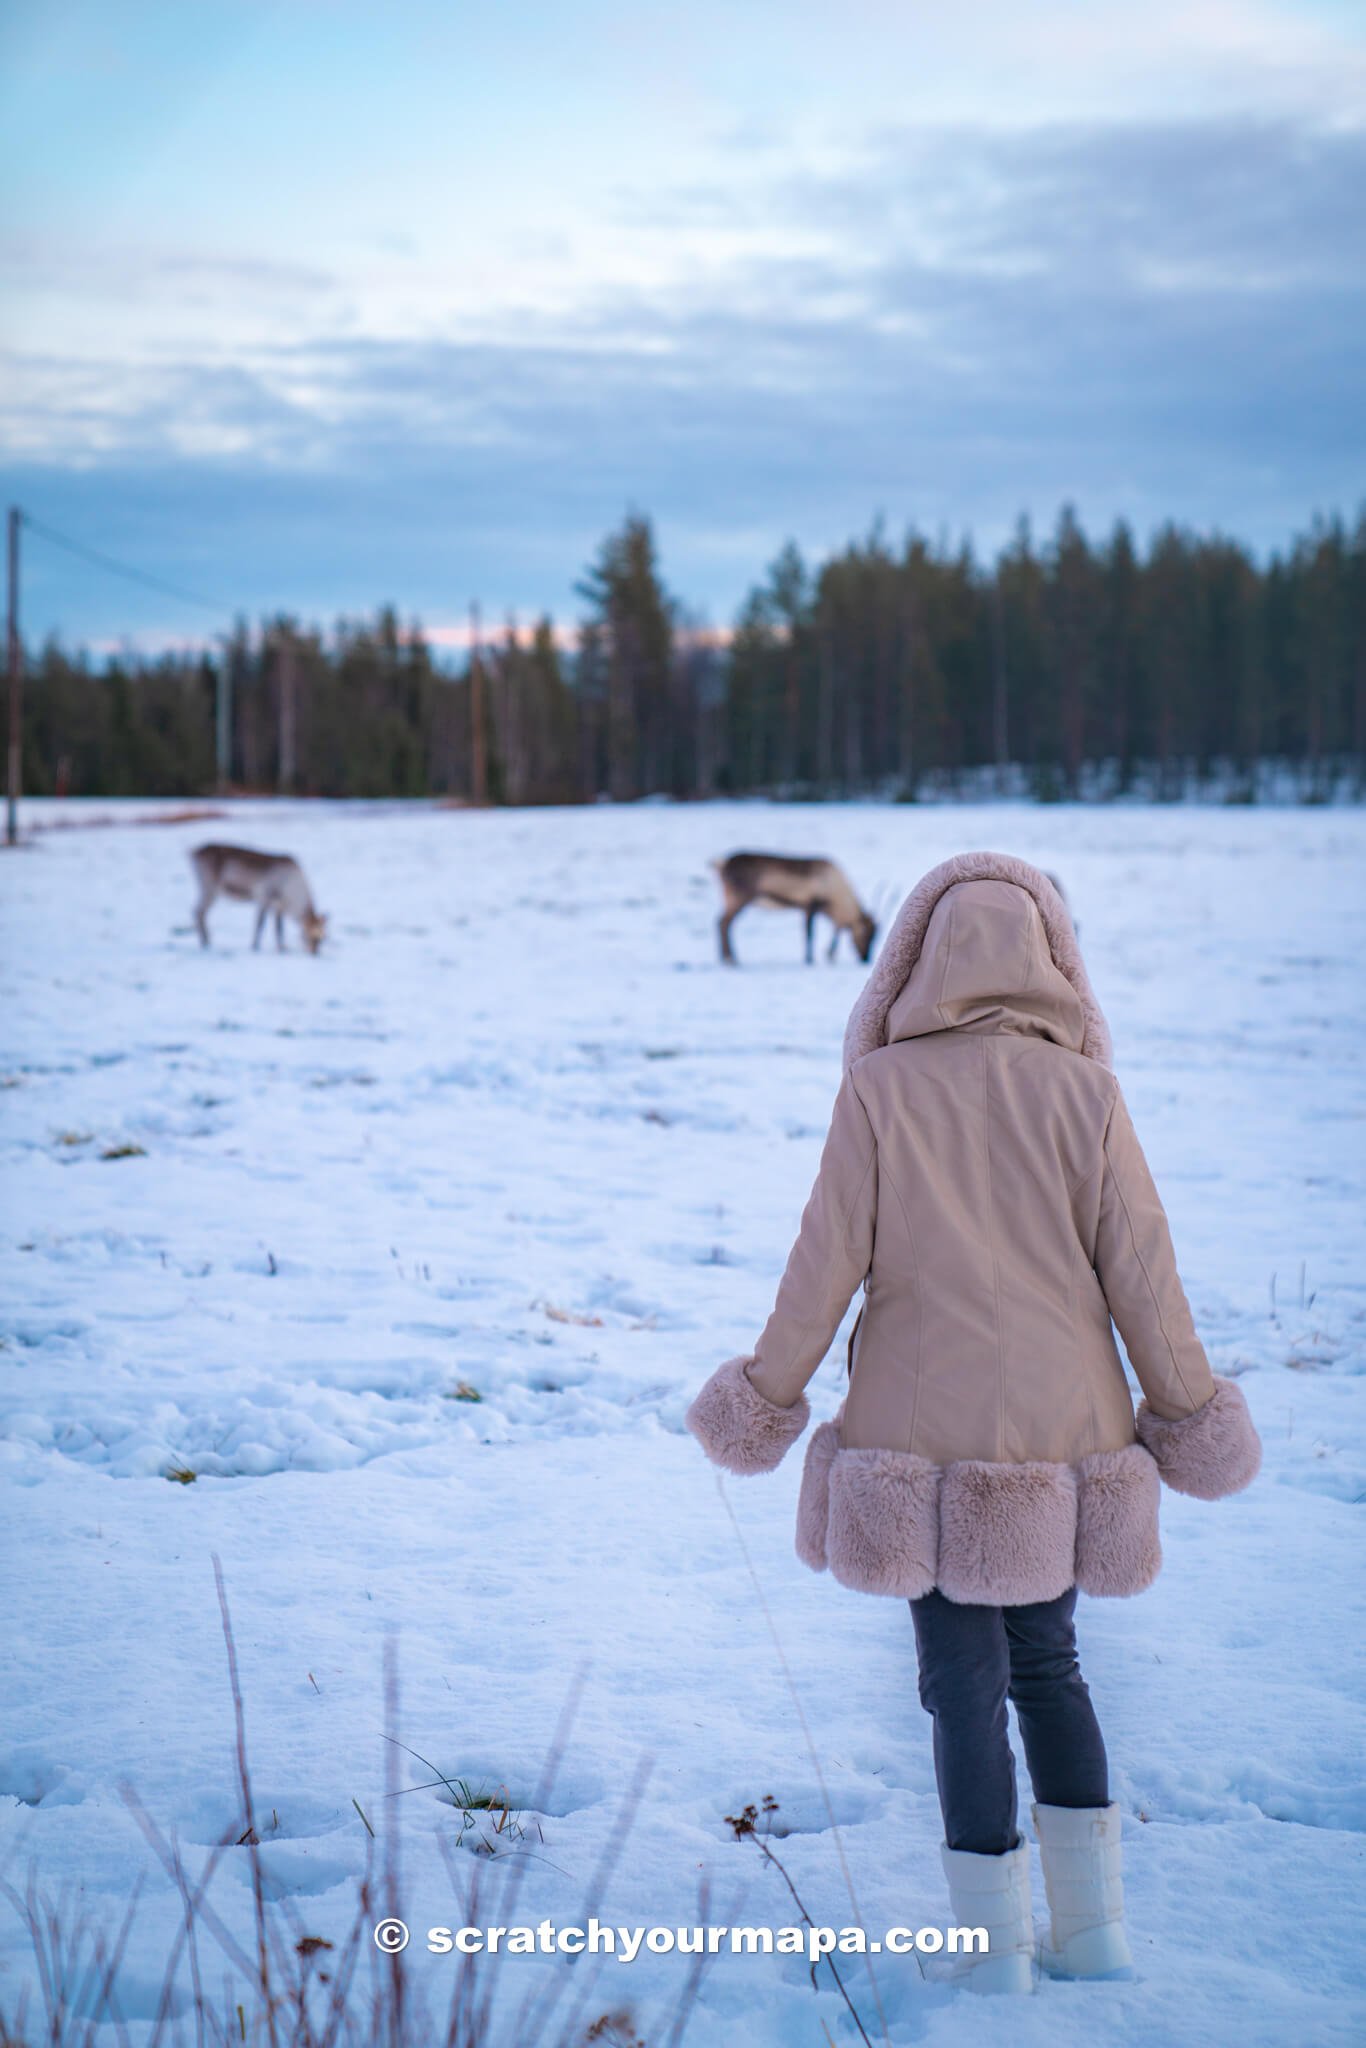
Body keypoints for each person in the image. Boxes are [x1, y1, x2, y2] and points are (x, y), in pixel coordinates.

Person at [685, 851, 1261, 1996]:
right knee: (1051, 1667)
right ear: (1056, 961)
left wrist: (765, 1393)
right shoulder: (1087, 1091)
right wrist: (1190, 1409)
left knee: (959, 1679)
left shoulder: (881, 1087)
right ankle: (1092, 1933)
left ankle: (987, 1947)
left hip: (919, 1433)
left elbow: (822, 1267)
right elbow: (1142, 1272)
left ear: (910, 960)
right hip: (1064, 1429)